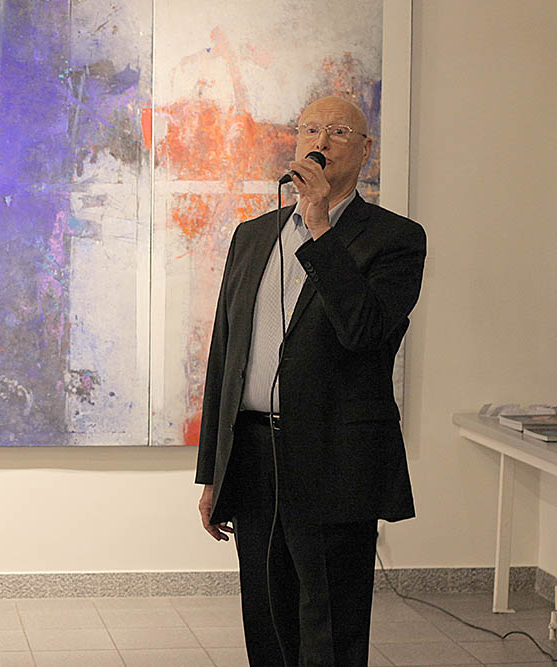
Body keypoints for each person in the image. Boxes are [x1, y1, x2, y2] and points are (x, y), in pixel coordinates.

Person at [195, 96, 426, 666]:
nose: (321, 141)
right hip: (254, 456)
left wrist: (320, 226)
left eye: (339, 131)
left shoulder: (396, 239)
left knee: (331, 626)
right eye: (311, 129)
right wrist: (213, 473)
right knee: (265, 621)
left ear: (366, 151)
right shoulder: (253, 236)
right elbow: (225, 356)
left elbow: (364, 332)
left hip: (334, 459)